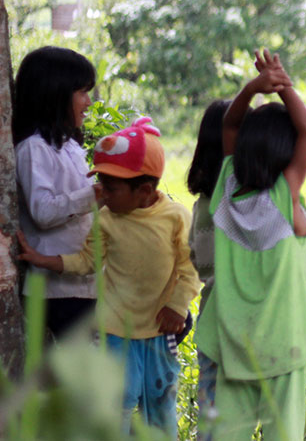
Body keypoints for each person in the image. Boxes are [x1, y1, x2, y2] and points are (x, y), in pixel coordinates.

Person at [18, 116, 200, 435]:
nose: (100, 192)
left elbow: (191, 265)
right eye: (100, 182)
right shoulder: (106, 218)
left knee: (159, 399)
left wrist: (178, 305)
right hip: (117, 329)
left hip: (162, 329)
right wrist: (44, 260)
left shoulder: (175, 218)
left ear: (144, 190)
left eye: (110, 187)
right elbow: (88, 259)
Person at [193, 50, 306, 440]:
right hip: (284, 347)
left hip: (228, 343)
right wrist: (284, 86)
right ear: (287, 157)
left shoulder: (226, 188)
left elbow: (230, 126)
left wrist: (253, 88)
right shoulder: (286, 199)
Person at [13, 46, 99, 338]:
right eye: (82, 93)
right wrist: (94, 195)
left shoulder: (70, 145)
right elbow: (43, 211)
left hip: (82, 281)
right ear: (54, 94)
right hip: (55, 290)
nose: (88, 102)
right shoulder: (33, 148)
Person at [186, 99, 231, 439]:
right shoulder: (241, 206)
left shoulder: (201, 206)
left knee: (212, 417)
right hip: (241, 323)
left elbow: (197, 261)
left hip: (211, 319)